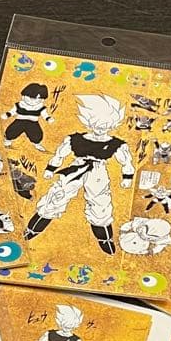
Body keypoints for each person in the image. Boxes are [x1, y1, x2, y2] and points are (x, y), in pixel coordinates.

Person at [25, 94, 135, 256]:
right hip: (75, 168)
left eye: (105, 126)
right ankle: (32, 230)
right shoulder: (74, 139)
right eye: (97, 125)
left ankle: (105, 238)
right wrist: (50, 169)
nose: (100, 129)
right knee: (57, 196)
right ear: (88, 121)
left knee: (100, 203)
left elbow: (126, 162)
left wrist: (127, 178)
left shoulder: (116, 144)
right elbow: (60, 154)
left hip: (98, 172)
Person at [3, 83, 54, 151]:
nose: (33, 101)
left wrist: (48, 118)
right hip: (19, 121)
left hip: (33, 123)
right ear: (24, 96)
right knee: (12, 131)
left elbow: (45, 115)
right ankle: (7, 141)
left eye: (38, 98)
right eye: (31, 98)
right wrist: (7, 115)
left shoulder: (40, 107)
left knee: (36, 134)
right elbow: (12, 111)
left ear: (42, 99)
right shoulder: (20, 105)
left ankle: (37, 144)